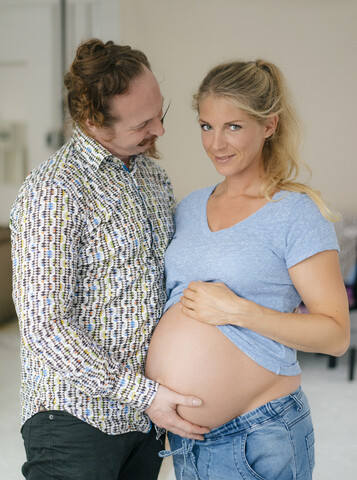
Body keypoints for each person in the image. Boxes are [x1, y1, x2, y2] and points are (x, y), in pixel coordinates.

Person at [9, 38, 208, 480]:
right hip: (76, 419)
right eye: (143, 122)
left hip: (144, 419)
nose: (159, 130)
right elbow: (46, 326)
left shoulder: (154, 178)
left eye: (161, 113)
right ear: (93, 122)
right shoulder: (53, 192)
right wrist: (141, 393)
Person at [145, 59, 350, 479]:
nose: (217, 143)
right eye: (206, 126)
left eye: (233, 127)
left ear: (269, 126)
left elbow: (336, 335)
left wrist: (238, 312)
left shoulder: (295, 213)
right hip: (185, 440)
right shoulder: (188, 208)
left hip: (258, 432)